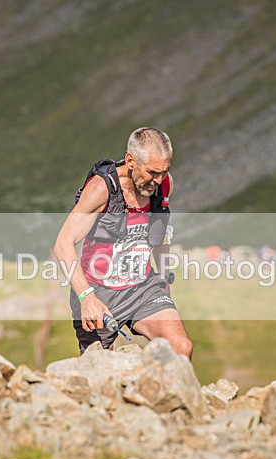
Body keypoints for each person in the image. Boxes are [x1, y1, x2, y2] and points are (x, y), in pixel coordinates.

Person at [54, 127, 193, 358]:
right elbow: (63, 244)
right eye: (152, 172)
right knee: (100, 372)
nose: (158, 181)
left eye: (164, 171)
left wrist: (165, 280)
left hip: (142, 288)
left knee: (182, 348)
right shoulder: (101, 189)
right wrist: (86, 298)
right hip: (98, 292)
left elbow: (160, 237)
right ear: (131, 160)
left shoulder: (164, 185)